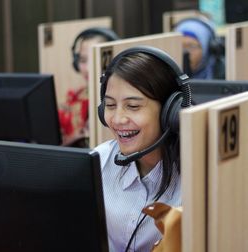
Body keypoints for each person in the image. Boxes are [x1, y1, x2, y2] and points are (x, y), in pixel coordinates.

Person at [92, 46, 192, 252]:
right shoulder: (98, 163)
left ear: (170, 112)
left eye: (133, 106)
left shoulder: (197, 180)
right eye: (110, 106)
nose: (118, 119)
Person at [58, 27, 119, 147]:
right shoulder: (73, 97)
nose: (87, 68)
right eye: (83, 60)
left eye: (94, 59)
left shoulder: (122, 99)